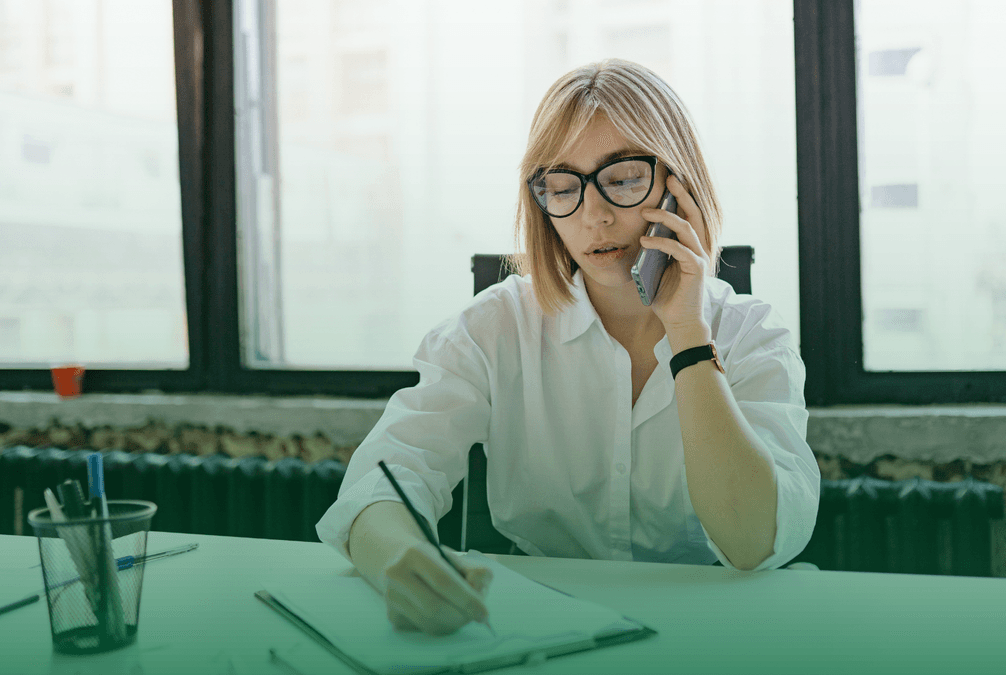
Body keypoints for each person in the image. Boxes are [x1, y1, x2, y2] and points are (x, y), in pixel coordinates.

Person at [315, 58, 820, 636]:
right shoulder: (495, 325)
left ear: (680, 187)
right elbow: (383, 479)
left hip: (708, 622)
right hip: (534, 623)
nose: (594, 216)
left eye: (623, 179)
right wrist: (400, 558)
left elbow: (755, 542)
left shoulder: (751, 334)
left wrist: (687, 335)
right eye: (562, 187)